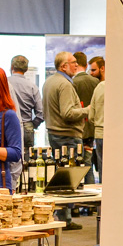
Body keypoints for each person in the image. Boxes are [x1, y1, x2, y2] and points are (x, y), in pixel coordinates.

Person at [43, 51, 87, 229]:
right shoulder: (65, 84)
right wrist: (89, 110)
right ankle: (65, 219)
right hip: (67, 135)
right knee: (68, 179)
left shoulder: (50, 81)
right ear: (63, 66)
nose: (77, 65)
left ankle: (61, 216)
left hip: (55, 133)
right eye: (73, 62)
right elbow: (68, 113)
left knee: (61, 177)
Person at [73, 52, 99, 186]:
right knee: (88, 163)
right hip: (93, 129)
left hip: (78, 128)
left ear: (76, 64)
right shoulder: (96, 82)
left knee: (78, 164)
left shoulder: (72, 83)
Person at [9, 55, 43, 154]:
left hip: (8, 124)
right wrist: (31, 125)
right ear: (26, 69)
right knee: (28, 157)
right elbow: (41, 113)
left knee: (9, 154)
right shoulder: (33, 86)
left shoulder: (4, 83)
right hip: (27, 127)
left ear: (11, 67)